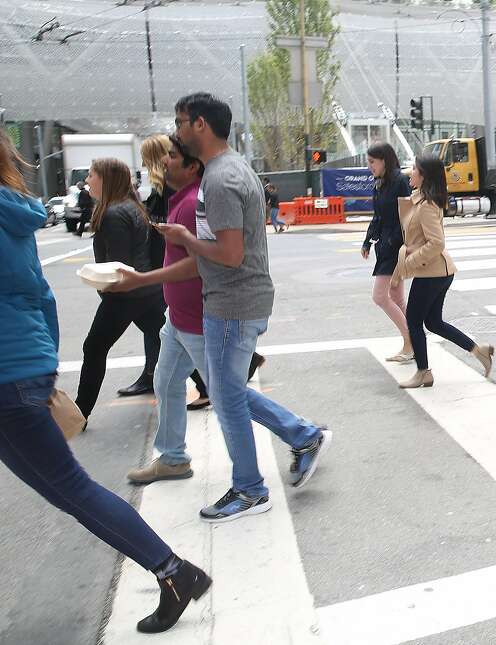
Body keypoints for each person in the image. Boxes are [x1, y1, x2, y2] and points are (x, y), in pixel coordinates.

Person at [0, 129, 210, 634]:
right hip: (22, 362)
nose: (88, 182)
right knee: (66, 488)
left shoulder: (115, 213)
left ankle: (174, 571)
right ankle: (173, 571)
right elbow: (40, 296)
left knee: (70, 487)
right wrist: (43, 361)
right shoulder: (15, 211)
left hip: (13, 371)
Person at [160, 92, 330, 521]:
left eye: (181, 122)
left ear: (200, 124)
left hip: (233, 303)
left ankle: (251, 489)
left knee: (228, 397)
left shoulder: (220, 179)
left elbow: (230, 253)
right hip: (235, 301)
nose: (177, 132)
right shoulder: (230, 169)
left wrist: (183, 240)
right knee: (227, 392)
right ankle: (303, 436)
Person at [112, 137, 275, 484]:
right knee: (167, 380)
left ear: (191, 166)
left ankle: (300, 435)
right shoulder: (181, 199)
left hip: (198, 318)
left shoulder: (193, 203)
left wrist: (143, 279)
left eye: (171, 156)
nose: (163, 163)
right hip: (179, 317)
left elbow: (202, 263)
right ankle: (172, 457)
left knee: (227, 395)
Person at [74, 159, 167, 423]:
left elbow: (117, 265)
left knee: (94, 347)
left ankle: (80, 413)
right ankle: (208, 386)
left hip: (125, 294)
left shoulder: (113, 213)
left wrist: (104, 288)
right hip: (144, 291)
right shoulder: (131, 207)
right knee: (169, 339)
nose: (88, 180)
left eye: (92, 175)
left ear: (106, 179)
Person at [390, 154, 494, 388]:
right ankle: (479, 351)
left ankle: (423, 372)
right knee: (434, 322)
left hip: (432, 273)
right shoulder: (421, 200)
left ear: (424, 175)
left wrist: (409, 263)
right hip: (438, 272)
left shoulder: (427, 205)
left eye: (414, 169)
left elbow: (436, 243)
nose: (410, 172)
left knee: (414, 322)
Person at [118, 134, 174, 398]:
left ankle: (153, 374)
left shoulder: (165, 188)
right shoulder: (162, 188)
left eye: (144, 156)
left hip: (164, 264)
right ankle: (151, 372)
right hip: (162, 263)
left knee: (160, 322)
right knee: (161, 321)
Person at [362, 142, 414, 362]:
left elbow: (408, 216)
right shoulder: (379, 183)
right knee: (397, 298)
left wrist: (396, 241)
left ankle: (410, 341)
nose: (370, 167)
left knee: (380, 296)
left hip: (396, 248)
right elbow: (378, 217)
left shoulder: (400, 181)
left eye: (372, 162)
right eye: (369, 163)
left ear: (384, 159)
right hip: (384, 247)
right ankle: (414, 342)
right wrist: (367, 241)